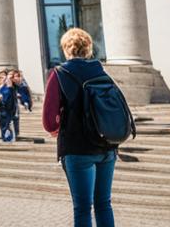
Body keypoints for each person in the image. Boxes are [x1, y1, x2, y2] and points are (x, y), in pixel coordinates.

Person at [44, 28, 117, 227]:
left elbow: (49, 122)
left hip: (77, 148)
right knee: (104, 204)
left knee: (83, 209)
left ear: (65, 49)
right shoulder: (101, 71)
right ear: (88, 48)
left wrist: (57, 127)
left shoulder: (59, 74)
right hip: (106, 146)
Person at [0, 71, 18, 143]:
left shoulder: (10, 89)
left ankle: (8, 138)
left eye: (1, 77)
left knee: (6, 125)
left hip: (7, 110)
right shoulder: (2, 88)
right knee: (3, 125)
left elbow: (10, 101)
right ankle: (6, 138)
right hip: (2, 110)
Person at [13, 70, 33, 140]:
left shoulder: (23, 84)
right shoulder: (13, 84)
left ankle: (16, 134)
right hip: (14, 104)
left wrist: (30, 102)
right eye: (17, 76)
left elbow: (29, 93)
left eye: (20, 76)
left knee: (16, 119)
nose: (19, 78)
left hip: (23, 103)